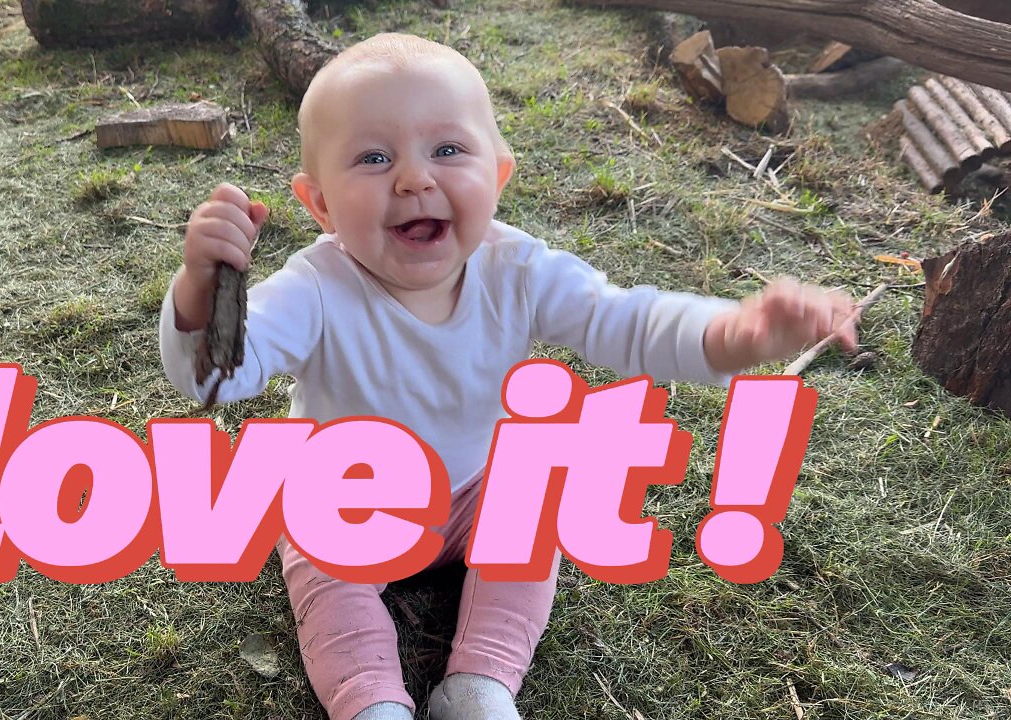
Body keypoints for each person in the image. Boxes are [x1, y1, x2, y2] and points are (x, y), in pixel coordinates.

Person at [158, 32, 858, 720]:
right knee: (327, 577)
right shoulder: (313, 287)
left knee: (533, 506)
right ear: (320, 205)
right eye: (373, 158)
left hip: (475, 491)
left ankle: (480, 684)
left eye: (448, 150)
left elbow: (628, 323)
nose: (413, 178)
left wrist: (733, 333)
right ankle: (370, 700)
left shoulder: (519, 270)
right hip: (349, 502)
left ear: (496, 175)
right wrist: (200, 291)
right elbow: (219, 378)